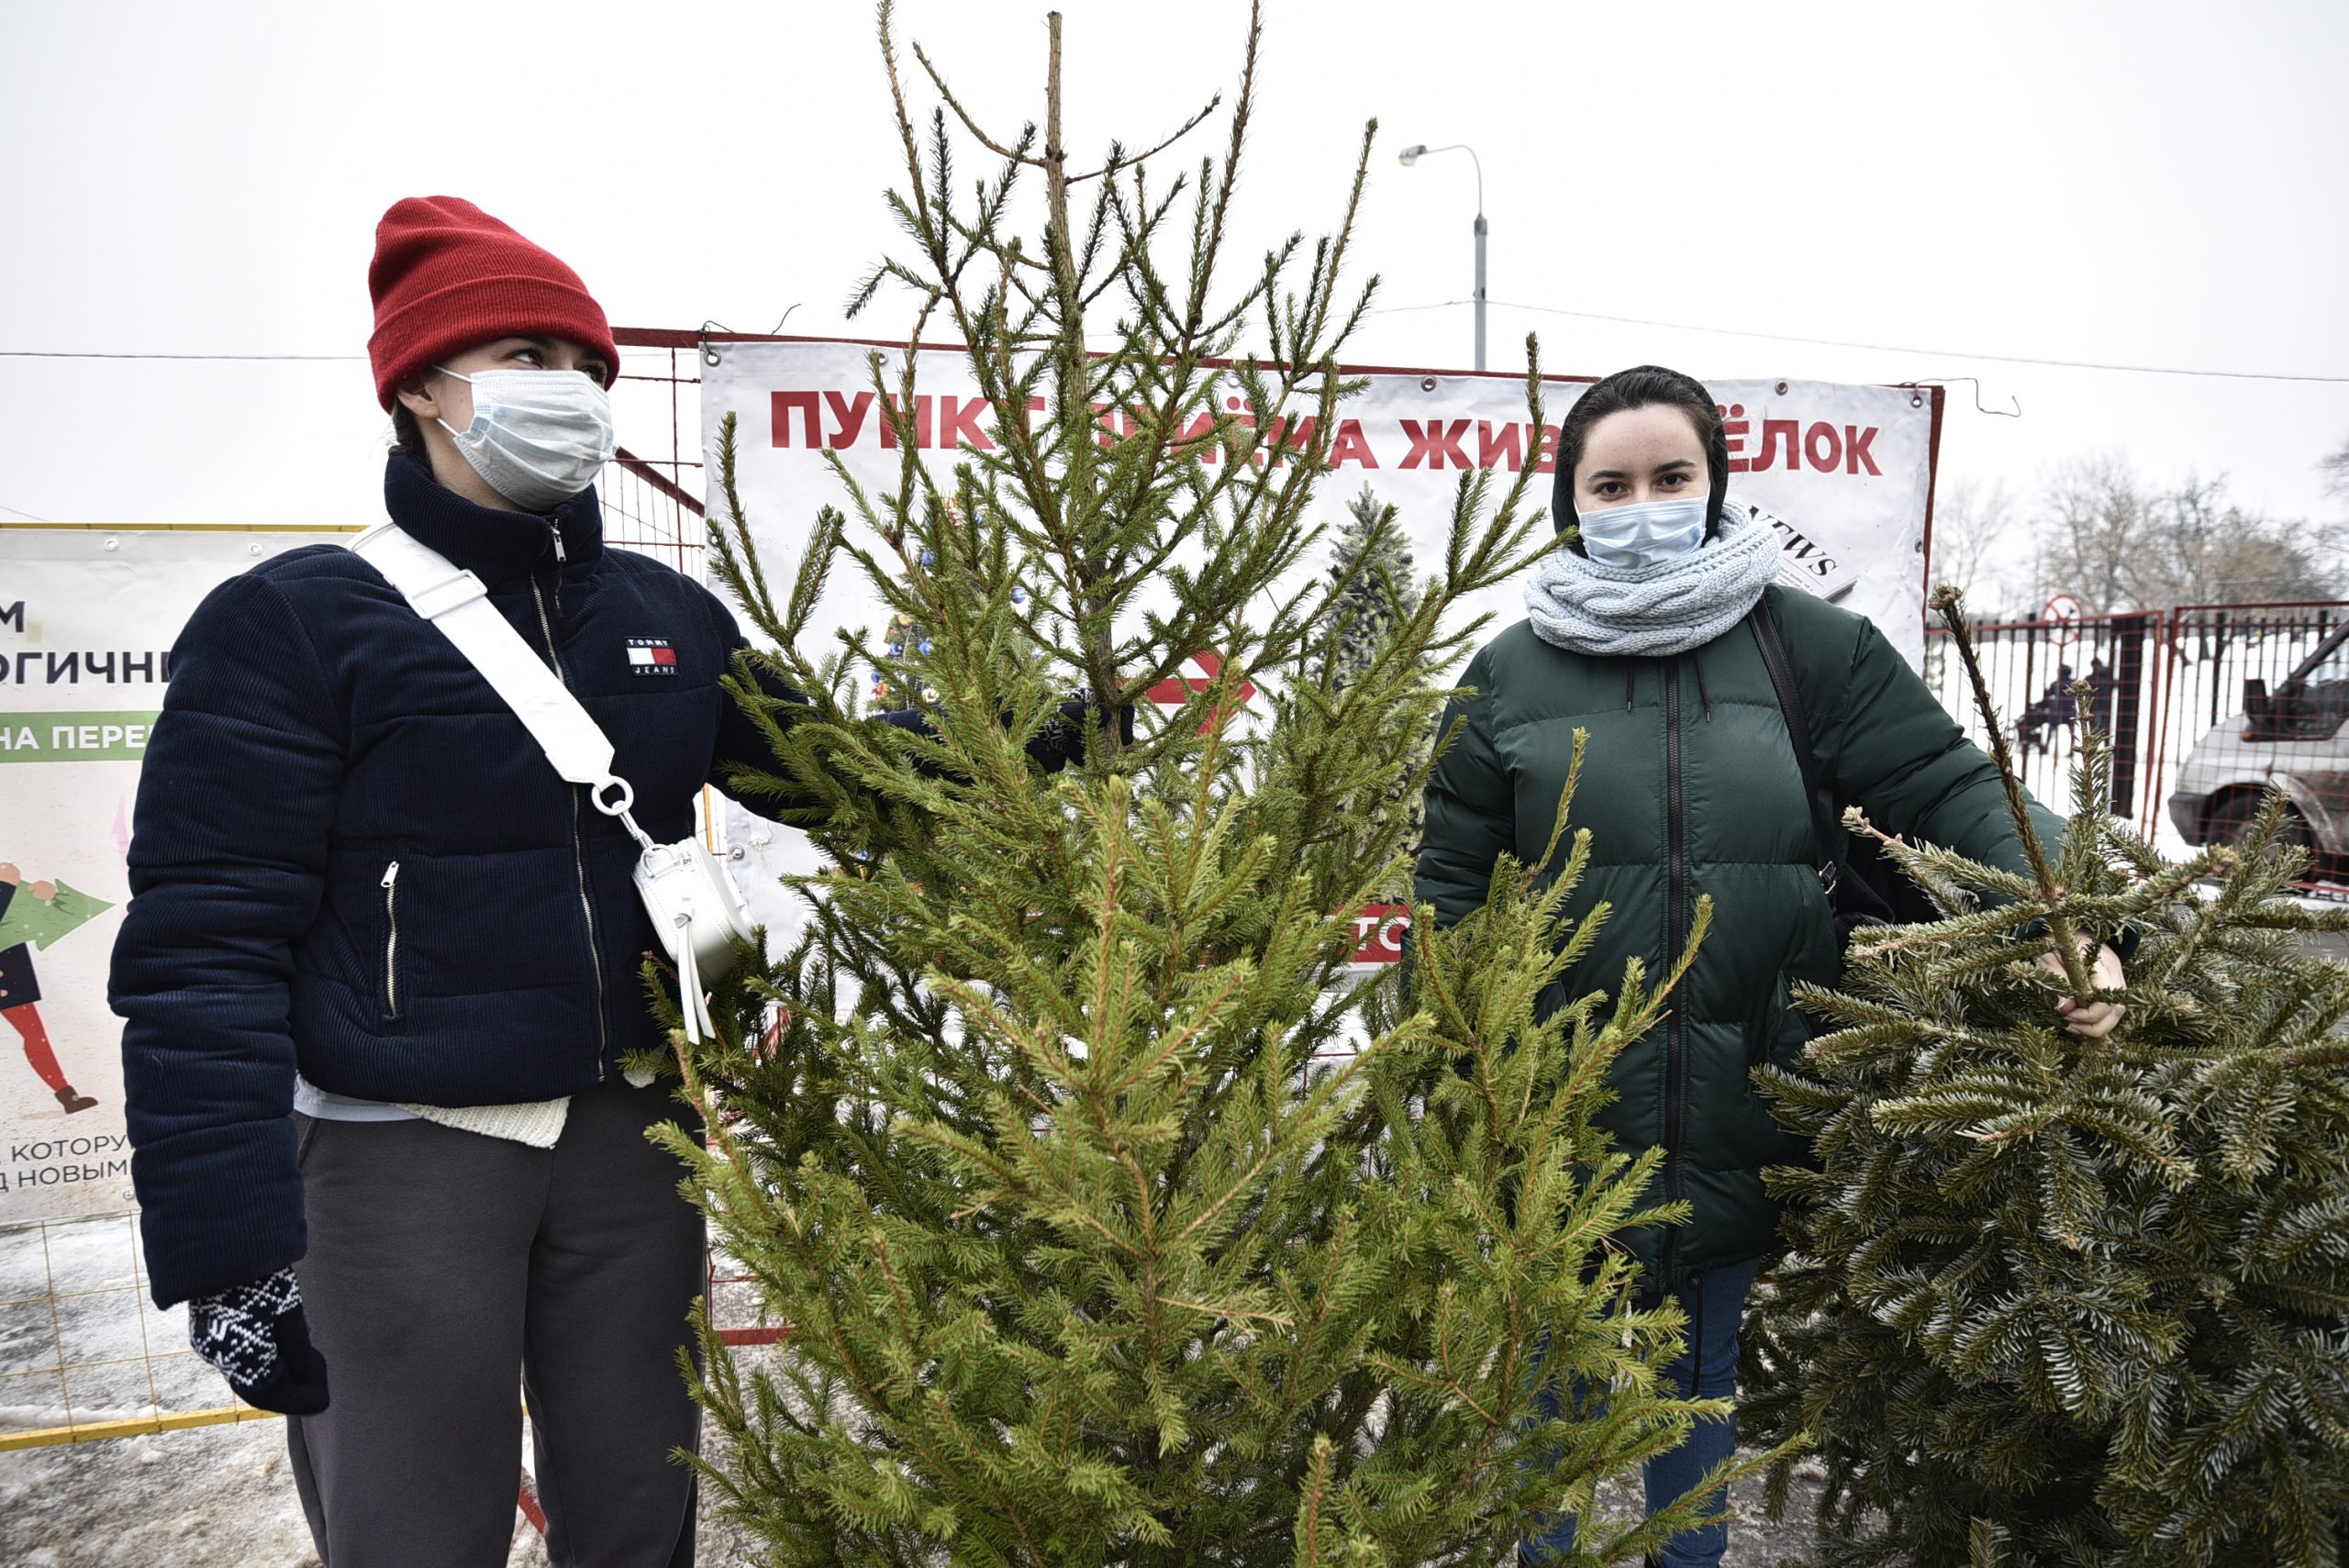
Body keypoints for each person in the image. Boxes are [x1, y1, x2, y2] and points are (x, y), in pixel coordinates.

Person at [108, 196, 1099, 1567]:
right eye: (526, 357)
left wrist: (1025, 741)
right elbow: (201, 945)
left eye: (586, 368)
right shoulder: (293, 625)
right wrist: (227, 1238)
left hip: (634, 1146)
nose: (568, 393)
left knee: (643, 1513)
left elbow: (837, 778)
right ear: (422, 389)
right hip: (401, 1163)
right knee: (414, 1533)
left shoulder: (662, 616)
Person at [1413, 364, 2127, 1568]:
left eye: (1671, 476)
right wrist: (1445, 1090)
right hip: (1551, 1120)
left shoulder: (1810, 649)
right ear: (1571, 502)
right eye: (1613, 482)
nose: (1645, 500)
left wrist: (2081, 919)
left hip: (1744, 1103)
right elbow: (1447, 894)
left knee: (1698, 1398)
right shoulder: (1507, 675)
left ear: (1715, 481)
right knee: (1552, 1401)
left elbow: (1954, 787)